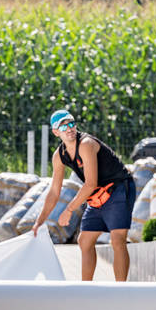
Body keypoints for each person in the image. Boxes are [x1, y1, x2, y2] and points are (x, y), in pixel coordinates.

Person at [33, 109, 135, 281]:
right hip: (98, 194)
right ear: (55, 132)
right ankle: (86, 289)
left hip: (119, 187)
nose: (69, 128)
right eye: (63, 126)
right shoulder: (59, 156)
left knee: (117, 239)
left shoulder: (86, 144)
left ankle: (121, 290)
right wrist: (39, 221)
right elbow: (54, 192)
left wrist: (69, 209)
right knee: (85, 241)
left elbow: (90, 183)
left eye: (71, 123)